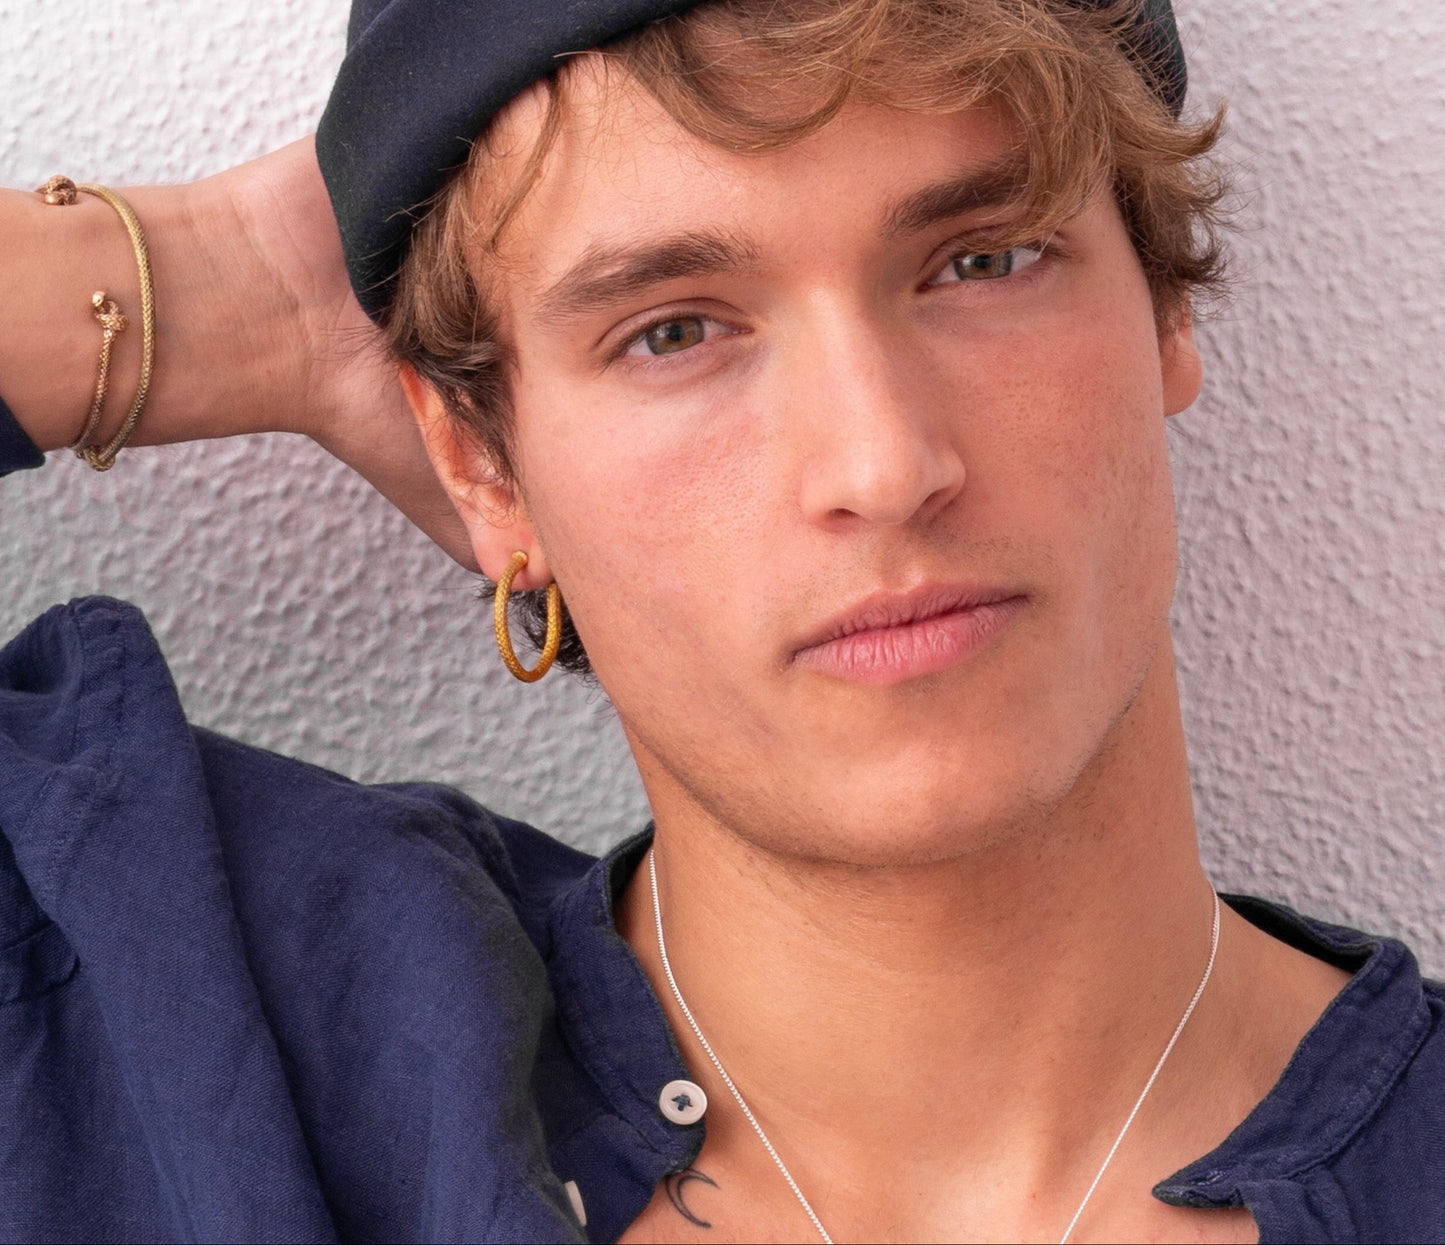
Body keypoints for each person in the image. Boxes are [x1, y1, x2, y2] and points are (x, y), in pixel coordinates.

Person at [0, 1, 1440, 1242]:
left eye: (980, 259)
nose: (880, 466)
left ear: (1164, 312)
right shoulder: (197, 1025)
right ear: (481, 463)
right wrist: (222, 285)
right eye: (673, 329)